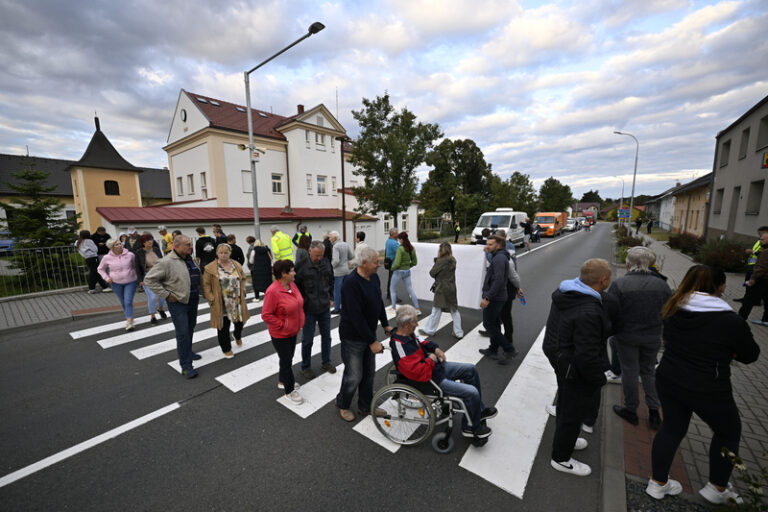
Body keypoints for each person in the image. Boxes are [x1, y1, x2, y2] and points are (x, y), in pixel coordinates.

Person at [647, 265, 759, 504]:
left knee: (672, 429)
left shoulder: (673, 308)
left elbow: (668, 339)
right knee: (728, 432)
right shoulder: (730, 320)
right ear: (721, 287)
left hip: (669, 379)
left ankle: (657, 483)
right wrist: (731, 353)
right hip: (709, 387)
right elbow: (751, 355)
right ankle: (717, 487)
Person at [543, 258, 612, 477]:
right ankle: (561, 458)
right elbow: (587, 354)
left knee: (565, 400)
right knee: (573, 410)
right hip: (572, 364)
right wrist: (599, 379)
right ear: (603, 280)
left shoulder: (567, 292)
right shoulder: (588, 310)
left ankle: (567, 440)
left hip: (557, 353)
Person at [390, 305, 494, 439]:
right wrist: (431, 359)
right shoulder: (399, 345)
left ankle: (478, 411)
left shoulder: (408, 333)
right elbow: (416, 371)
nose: (417, 324)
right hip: (430, 380)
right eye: (415, 321)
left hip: (435, 369)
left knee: (471, 369)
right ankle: (470, 427)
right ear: (405, 324)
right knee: (471, 393)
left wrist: (435, 349)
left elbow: (422, 342)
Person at [606, 247, 672, 429]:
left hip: (627, 336)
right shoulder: (662, 285)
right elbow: (669, 313)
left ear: (629, 263)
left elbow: (610, 312)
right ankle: (654, 413)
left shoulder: (619, 285)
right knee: (649, 371)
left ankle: (631, 410)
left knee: (629, 372)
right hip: (652, 336)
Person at [335, 247, 392, 422]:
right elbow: (355, 316)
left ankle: (365, 407)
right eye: (376, 262)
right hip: (353, 337)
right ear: (364, 263)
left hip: (368, 334)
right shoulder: (351, 283)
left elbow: (378, 302)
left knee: (369, 374)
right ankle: (342, 404)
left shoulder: (373, 277)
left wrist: (385, 324)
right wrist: (372, 341)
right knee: (354, 375)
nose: (379, 265)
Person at [144, 235, 203, 379]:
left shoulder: (190, 258)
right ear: (177, 246)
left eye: (190, 244)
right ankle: (186, 365)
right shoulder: (166, 262)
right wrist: (166, 294)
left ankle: (187, 352)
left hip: (192, 299)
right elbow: (149, 280)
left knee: (190, 327)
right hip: (178, 302)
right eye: (188, 245)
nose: (191, 247)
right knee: (182, 332)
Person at [262, 260, 305, 404]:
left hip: (292, 330)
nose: (294, 273)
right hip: (280, 333)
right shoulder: (273, 291)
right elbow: (266, 315)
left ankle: (283, 380)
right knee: (286, 360)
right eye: (291, 271)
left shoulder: (291, 284)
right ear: (283, 274)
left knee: (288, 357)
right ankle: (289, 390)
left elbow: (298, 302)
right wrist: (283, 324)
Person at [295, 240, 336, 379]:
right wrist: (301, 303)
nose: (319, 258)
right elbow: (296, 287)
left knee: (327, 337)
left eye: (321, 255)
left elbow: (331, 281)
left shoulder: (326, 263)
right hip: (308, 309)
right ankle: (305, 366)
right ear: (310, 251)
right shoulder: (301, 265)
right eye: (317, 255)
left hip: (324, 306)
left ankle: (326, 361)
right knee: (307, 339)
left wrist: (331, 297)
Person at [203, 243, 249, 358]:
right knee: (223, 326)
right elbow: (206, 285)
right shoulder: (210, 268)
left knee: (239, 323)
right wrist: (211, 298)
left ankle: (237, 335)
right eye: (221, 253)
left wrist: (243, 290)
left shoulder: (236, 264)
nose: (223, 255)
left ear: (230, 253)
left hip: (236, 300)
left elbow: (243, 278)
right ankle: (226, 348)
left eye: (226, 253)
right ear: (217, 253)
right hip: (221, 301)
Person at [478, 235, 516, 365]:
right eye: (487, 243)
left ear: (498, 245)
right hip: (497, 296)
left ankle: (509, 349)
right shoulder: (499, 256)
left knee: (488, 324)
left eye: (490, 244)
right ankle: (493, 349)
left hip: (495, 298)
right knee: (494, 324)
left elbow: (499, 280)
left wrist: (488, 297)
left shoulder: (499, 258)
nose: (487, 246)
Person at [420, 242, 463, 339]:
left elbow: (432, 273)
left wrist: (436, 261)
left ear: (440, 251)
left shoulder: (440, 261)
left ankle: (430, 330)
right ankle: (458, 332)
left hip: (441, 288)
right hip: (451, 287)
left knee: (436, 310)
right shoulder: (453, 260)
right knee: (454, 310)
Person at [98, 239, 139, 331]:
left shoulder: (130, 255)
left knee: (128, 301)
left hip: (131, 281)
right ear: (112, 247)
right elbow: (100, 269)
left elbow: (135, 267)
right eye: (116, 245)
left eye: (120, 244)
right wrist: (107, 278)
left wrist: (138, 278)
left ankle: (129, 321)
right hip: (116, 283)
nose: (119, 246)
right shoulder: (106, 258)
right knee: (123, 301)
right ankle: (130, 316)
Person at [737, 229, 768, 325]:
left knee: (748, 300)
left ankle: (740, 320)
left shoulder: (765, 252)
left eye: (762, 240)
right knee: (767, 300)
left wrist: (753, 279)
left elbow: (761, 268)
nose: (760, 241)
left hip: (761, 280)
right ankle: (766, 320)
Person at [135, 233, 167, 325]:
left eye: (151, 240)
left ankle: (160, 309)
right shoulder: (139, 252)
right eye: (147, 240)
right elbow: (137, 267)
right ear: (143, 243)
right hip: (147, 277)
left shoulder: (156, 250)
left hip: (159, 275)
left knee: (162, 295)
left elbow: (162, 262)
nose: (150, 242)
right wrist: (140, 280)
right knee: (152, 297)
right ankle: (152, 316)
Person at [734, 226, 768, 304]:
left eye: (760, 233)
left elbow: (762, 254)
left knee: (752, 284)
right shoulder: (760, 241)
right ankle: (746, 298)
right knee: (748, 283)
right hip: (752, 263)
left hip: (757, 266)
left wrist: (752, 252)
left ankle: (753, 300)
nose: (759, 235)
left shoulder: (765, 242)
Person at [389, 231, 420, 314]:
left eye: (399, 239)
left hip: (398, 271)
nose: (398, 240)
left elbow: (397, 263)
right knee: (410, 289)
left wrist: (392, 268)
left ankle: (393, 308)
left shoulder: (400, 249)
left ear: (402, 239)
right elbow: (415, 262)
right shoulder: (411, 248)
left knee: (392, 289)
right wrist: (407, 266)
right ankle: (417, 308)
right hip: (407, 271)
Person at [330, 230, 353, 314]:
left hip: (338, 271)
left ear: (335, 238)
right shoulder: (345, 244)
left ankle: (337, 308)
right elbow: (351, 256)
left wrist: (331, 267)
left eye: (330, 238)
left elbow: (336, 260)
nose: (329, 239)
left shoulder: (335, 246)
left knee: (337, 290)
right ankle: (346, 306)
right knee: (345, 290)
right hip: (346, 269)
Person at [385, 228, 399, 302]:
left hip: (389, 262)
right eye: (397, 233)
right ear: (393, 234)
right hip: (394, 263)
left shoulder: (388, 241)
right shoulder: (394, 243)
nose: (398, 234)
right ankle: (392, 296)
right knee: (393, 280)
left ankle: (389, 295)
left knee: (390, 279)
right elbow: (400, 252)